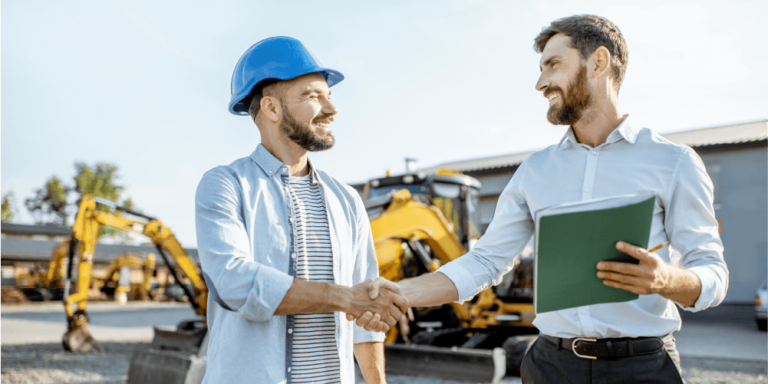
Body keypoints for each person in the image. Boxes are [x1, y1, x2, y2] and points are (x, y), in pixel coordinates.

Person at [361, 15, 728, 383]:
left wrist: (665, 279)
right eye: (540, 69)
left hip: (642, 368)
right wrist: (399, 292)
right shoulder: (535, 171)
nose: (540, 83)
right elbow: (485, 262)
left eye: (553, 65)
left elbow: (712, 273)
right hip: (551, 366)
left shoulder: (674, 162)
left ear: (598, 62)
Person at [196, 36, 407, 384]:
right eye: (313, 96)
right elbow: (236, 282)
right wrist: (344, 298)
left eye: (329, 95)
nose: (331, 109)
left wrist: (376, 380)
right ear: (272, 108)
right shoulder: (225, 185)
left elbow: (365, 308)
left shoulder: (347, 200)